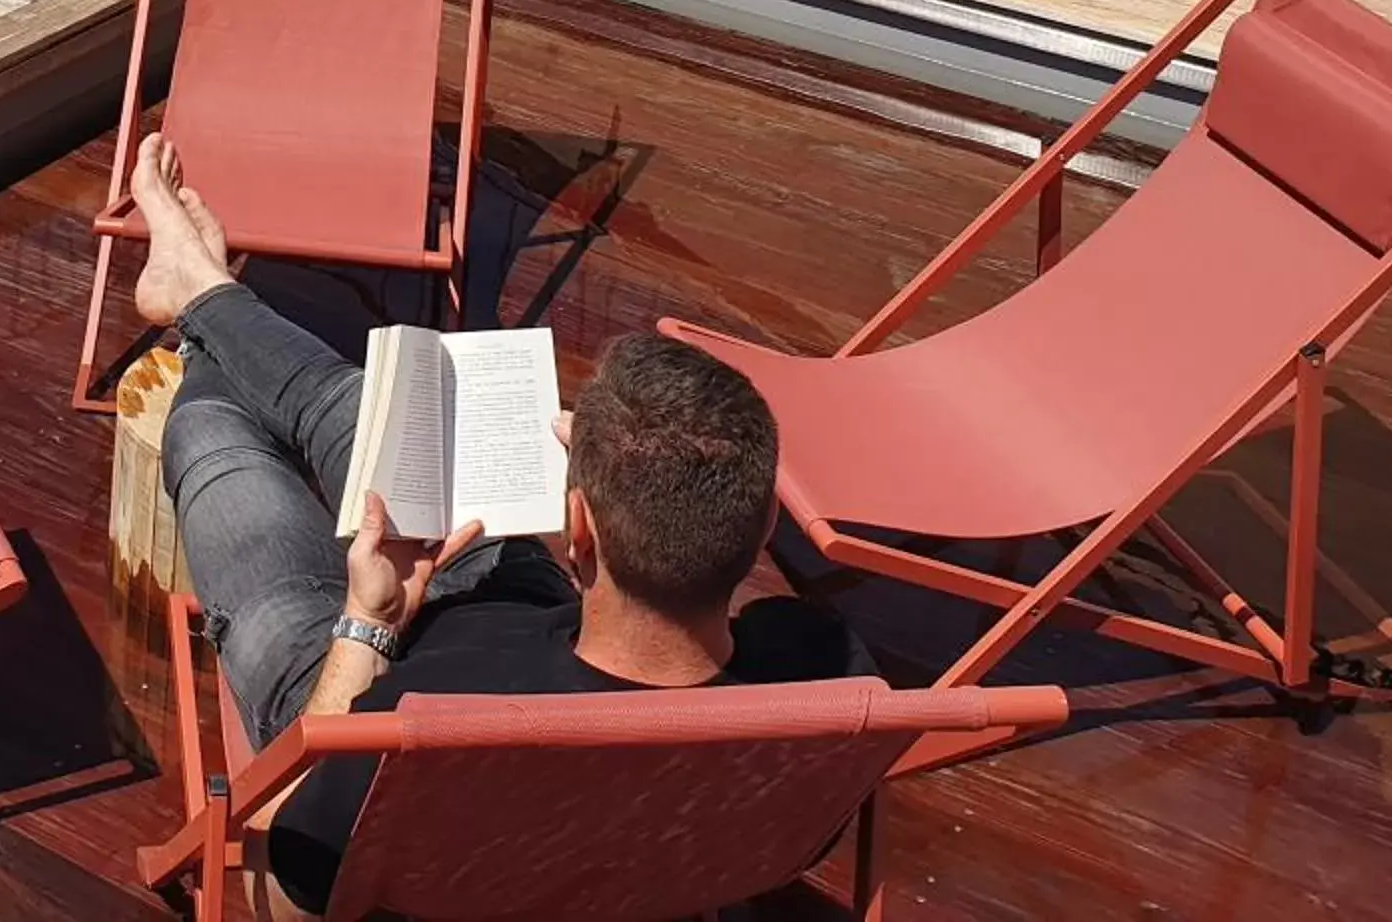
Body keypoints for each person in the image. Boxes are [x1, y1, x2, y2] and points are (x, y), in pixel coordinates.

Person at [133, 134, 861, 919]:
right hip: (506, 599)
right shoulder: (820, 679)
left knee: (211, 428)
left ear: (576, 526)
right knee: (361, 409)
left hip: (362, 655)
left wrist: (368, 623)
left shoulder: (426, 719)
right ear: (757, 537)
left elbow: (284, 894)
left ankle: (198, 316)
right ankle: (202, 294)